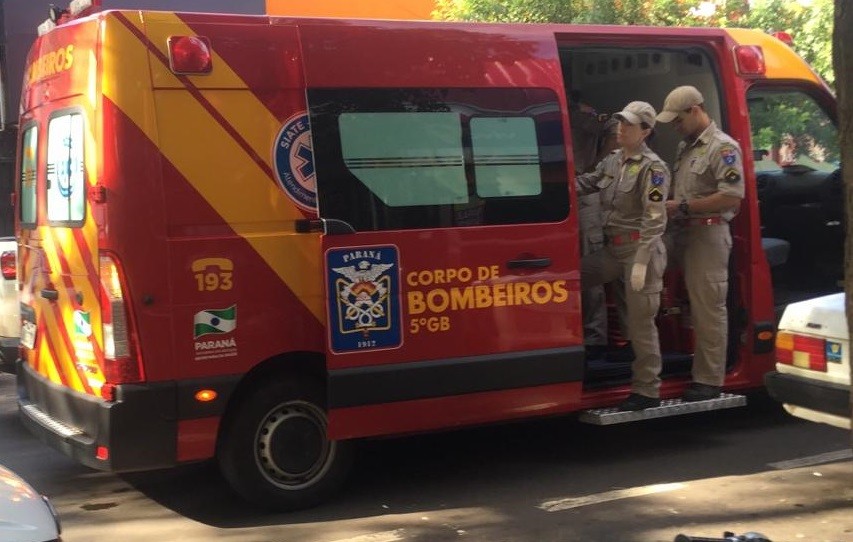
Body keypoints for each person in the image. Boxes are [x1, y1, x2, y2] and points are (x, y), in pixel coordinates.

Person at [577, 101, 670, 411]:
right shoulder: (613, 161)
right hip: (613, 251)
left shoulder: (653, 168)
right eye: (620, 123)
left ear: (645, 131)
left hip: (639, 251)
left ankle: (647, 389)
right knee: (570, 280)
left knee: (641, 324)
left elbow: (655, 219)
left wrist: (642, 261)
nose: (621, 129)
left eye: (629, 124)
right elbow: (586, 183)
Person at [655, 85, 745, 402]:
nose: (676, 127)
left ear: (695, 110)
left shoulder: (723, 148)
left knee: (708, 309)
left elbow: (732, 196)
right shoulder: (686, 147)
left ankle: (708, 381)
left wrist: (683, 207)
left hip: (707, 235)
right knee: (640, 268)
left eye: (678, 120)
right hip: (681, 232)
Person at [571, 95, 608, 360]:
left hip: (585, 195)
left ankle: (595, 338)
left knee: (591, 268)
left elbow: (613, 130)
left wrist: (596, 167)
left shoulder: (585, 115)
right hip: (568, 190)